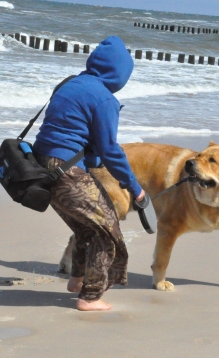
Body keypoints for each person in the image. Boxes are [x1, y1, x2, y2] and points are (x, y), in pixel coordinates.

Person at [33, 36, 145, 311]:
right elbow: (110, 151)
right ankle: (90, 297)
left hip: (40, 166)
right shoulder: (104, 99)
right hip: (65, 170)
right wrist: (134, 187)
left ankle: (77, 279)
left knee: (86, 227)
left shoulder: (70, 84)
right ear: (119, 73)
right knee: (108, 231)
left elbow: (84, 144)